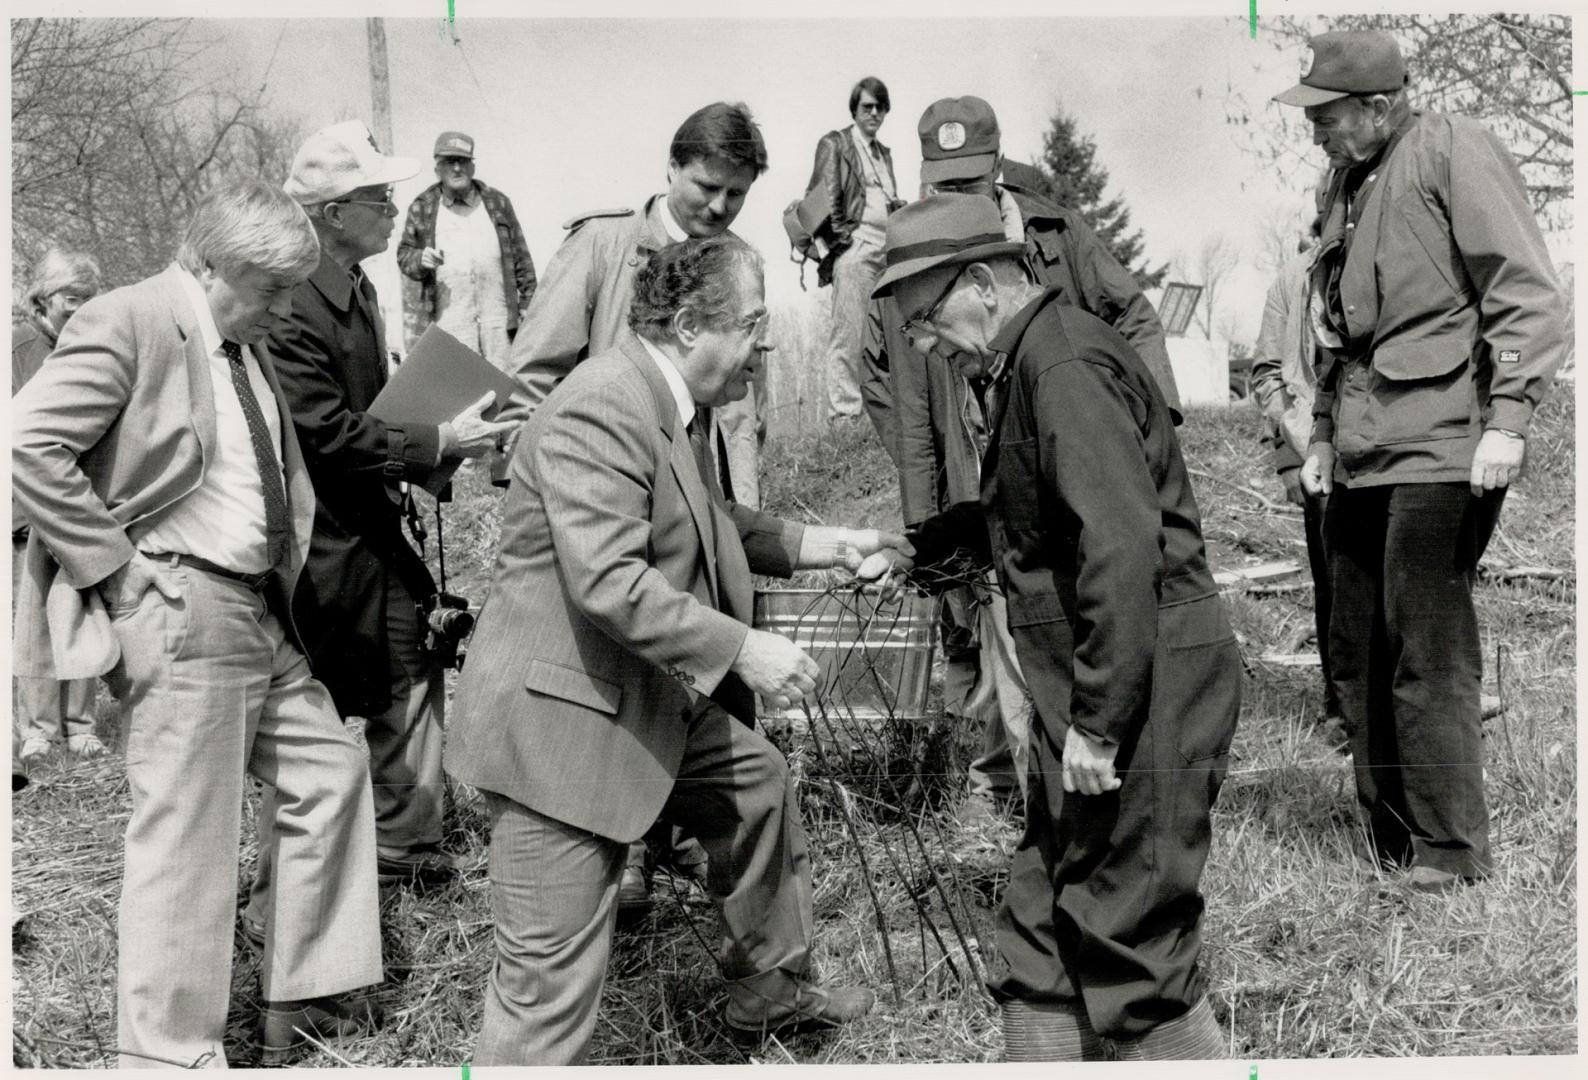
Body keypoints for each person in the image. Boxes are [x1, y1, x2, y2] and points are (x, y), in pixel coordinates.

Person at [445, 235, 897, 1064]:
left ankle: (771, 995)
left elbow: (715, 520)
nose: (763, 345)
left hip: (632, 697)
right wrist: (743, 650)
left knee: (754, 787)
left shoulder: (668, 404)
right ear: (690, 324)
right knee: (545, 1000)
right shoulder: (602, 405)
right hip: (560, 731)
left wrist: (836, 543)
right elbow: (609, 582)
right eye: (753, 324)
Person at [11, 180, 384, 1067]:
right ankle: (169, 1056)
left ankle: (305, 1002)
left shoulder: (236, 341)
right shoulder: (130, 318)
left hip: (258, 610)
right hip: (180, 603)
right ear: (214, 266)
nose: (287, 308)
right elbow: (25, 442)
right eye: (274, 291)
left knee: (330, 772)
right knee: (189, 835)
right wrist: (120, 570)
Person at [868, 194, 1239, 1061]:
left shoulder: (1063, 365)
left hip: (1146, 685)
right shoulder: (1025, 363)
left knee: (1132, 945)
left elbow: (1119, 549)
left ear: (983, 285)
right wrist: (912, 550)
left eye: (926, 321)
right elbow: (1034, 521)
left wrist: (1101, 725)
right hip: (1090, 679)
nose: (926, 344)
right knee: (1038, 933)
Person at [1275, 31, 1565, 892]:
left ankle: (1450, 853)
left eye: (1326, 116)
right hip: (1363, 452)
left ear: (1379, 105)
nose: (1315, 132)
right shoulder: (1346, 184)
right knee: (1354, 649)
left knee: (1424, 648)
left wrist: (1509, 417)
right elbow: (1334, 333)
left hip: (1445, 446)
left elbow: (1524, 290)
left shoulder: (1452, 149)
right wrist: (1323, 433)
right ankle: (1392, 841)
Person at [866, 95, 1186, 823]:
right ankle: (1028, 800)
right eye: (943, 185)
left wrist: (1145, 426)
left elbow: (1129, 313)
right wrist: (923, 532)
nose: (957, 194)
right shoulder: (914, 262)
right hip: (989, 481)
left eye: (970, 180)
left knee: (1067, 625)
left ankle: (1057, 793)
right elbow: (898, 393)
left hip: (1071, 456)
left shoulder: (1055, 239)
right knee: (1009, 643)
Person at [502, 101, 771, 909]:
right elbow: (530, 384)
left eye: (736, 196)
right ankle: (617, 874)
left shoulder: (733, 265)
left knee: (710, 701)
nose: (717, 208)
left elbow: (737, 412)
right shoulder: (602, 247)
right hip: (605, 520)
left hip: (689, 522)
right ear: (670, 168)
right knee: (614, 708)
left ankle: (704, 880)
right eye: (706, 187)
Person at [264, 120, 517, 892]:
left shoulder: (359, 288)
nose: (392, 210)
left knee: (413, 661)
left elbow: (368, 410)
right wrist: (436, 440)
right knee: (350, 696)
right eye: (379, 198)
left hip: (374, 525)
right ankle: (335, 863)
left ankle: (405, 851)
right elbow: (324, 431)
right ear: (334, 213)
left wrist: (434, 446)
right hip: (325, 543)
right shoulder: (291, 302)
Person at [11, 247, 105, 763]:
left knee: (80, 613)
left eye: (90, 298)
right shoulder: (22, 346)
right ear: (42, 300)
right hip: (30, 508)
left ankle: (80, 725)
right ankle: (39, 731)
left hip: (78, 503)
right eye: (73, 298)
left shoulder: (87, 344)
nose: (83, 308)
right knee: (35, 623)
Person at [1249, 217, 1342, 740]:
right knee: (1334, 583)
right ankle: (1341, 708)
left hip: (1385, 449)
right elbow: (1266, 370)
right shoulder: (1292, 278)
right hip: (1317, 454)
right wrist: (1294, 451)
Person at [803, 75, 899, 423]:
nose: (874, 113)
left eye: (879, 107)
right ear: (855, 110)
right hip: (856, 247)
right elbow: (823, 196)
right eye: (867, 107)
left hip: (887, 250)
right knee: (849, 333)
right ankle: (844, 416)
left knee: (883, 335)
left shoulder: (883, 154)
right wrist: (846, 242)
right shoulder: (836, 144)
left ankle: (878, 414)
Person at [396, 130, 537, 367]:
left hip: (500, 326)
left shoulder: (497, 203)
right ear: (437, 169)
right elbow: (404, 255)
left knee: (507, 393)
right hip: (450, 326)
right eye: (449, 162)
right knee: (462, 397)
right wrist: (420, 259)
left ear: (472, 167)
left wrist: (528, 308)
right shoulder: (423, 207)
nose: (457, 169)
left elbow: (523, 262)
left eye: (462, 161)